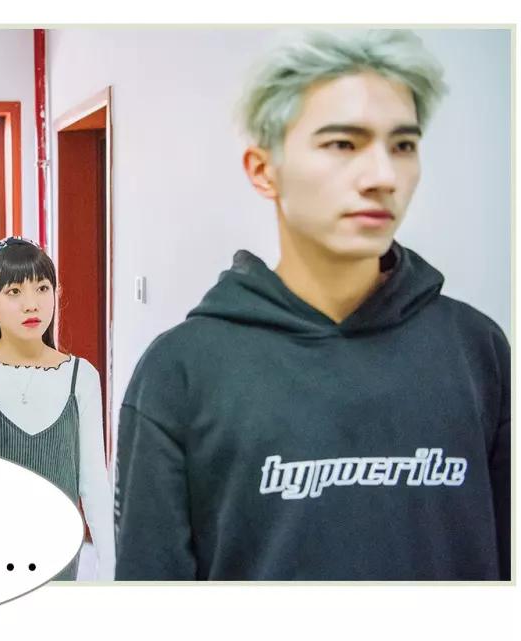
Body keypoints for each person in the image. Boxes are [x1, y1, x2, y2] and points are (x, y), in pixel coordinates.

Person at [115, 30, 510, 580]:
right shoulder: (181, 373)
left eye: (402, 145)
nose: (382, 177)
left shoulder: (477, 351)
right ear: (264, 170)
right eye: (343, 144)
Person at [0, 237, 115, 580]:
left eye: (42, 288)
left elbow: (94, 482)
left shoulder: (81, 376)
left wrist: (110, 568)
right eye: (14, 292)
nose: (31, 304)